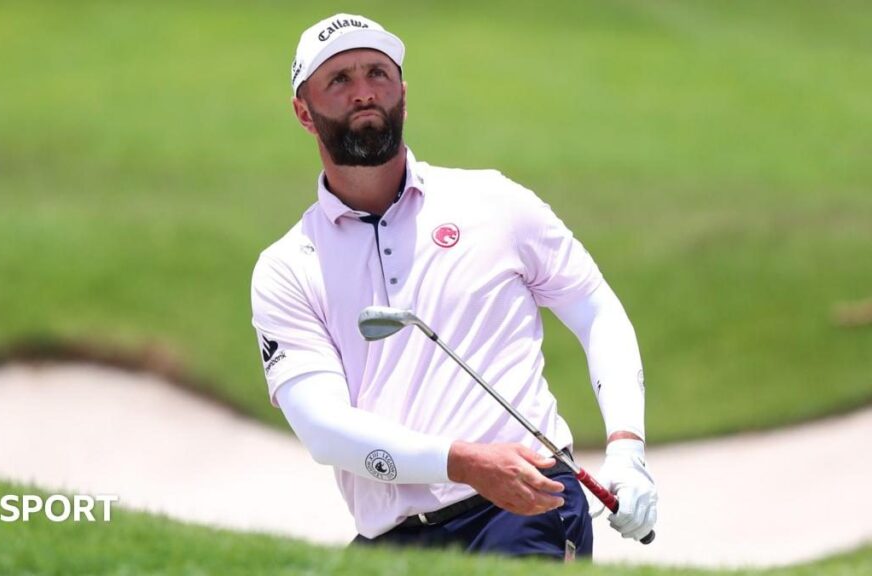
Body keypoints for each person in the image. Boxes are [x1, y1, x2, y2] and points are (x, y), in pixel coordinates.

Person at [250, 13, 657, 560]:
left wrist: (627, 446)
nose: (364, 92)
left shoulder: (493, 202)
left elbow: (595, 308)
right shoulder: (286, 267)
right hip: (390, 539)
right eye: (339, 79)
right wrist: (461, 461)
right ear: (304, 111)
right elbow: (325, 429)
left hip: (525, 508)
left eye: (378, 73)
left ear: (403, 94)